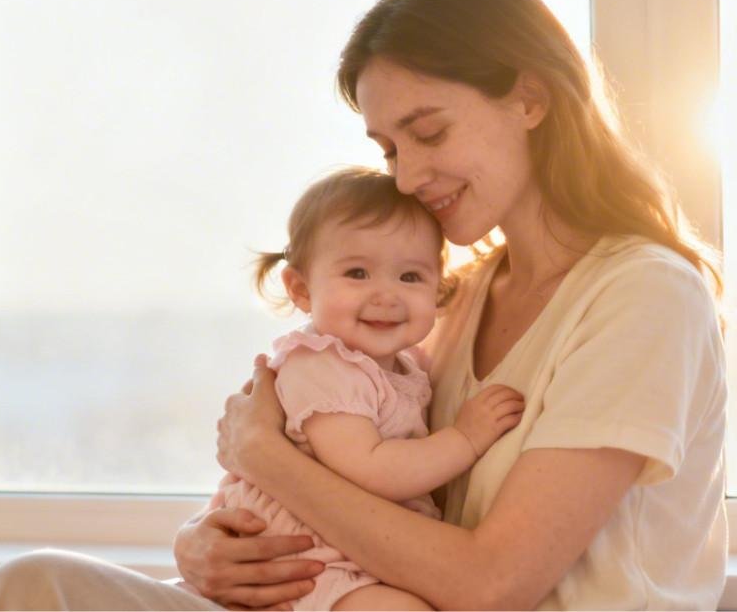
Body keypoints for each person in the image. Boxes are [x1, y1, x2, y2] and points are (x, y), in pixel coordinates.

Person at [0, 0, 727, 611]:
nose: (408, 177)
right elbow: (339, 450)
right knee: (32, 587)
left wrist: (267, 458)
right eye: (389, 148)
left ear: (531, 98)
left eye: (429, 133)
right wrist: (205, 542)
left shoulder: (646, 296)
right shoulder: (447, 299)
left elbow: (495, 582)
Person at [179, 167, 524, 610]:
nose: (386, 295)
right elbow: (373, 470)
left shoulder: (402, 366)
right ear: (301, 289)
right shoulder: (321, 365)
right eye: (358, 273)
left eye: (410, 277)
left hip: (351, 555)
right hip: (309, 562)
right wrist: (465, 438)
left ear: (438, 286)